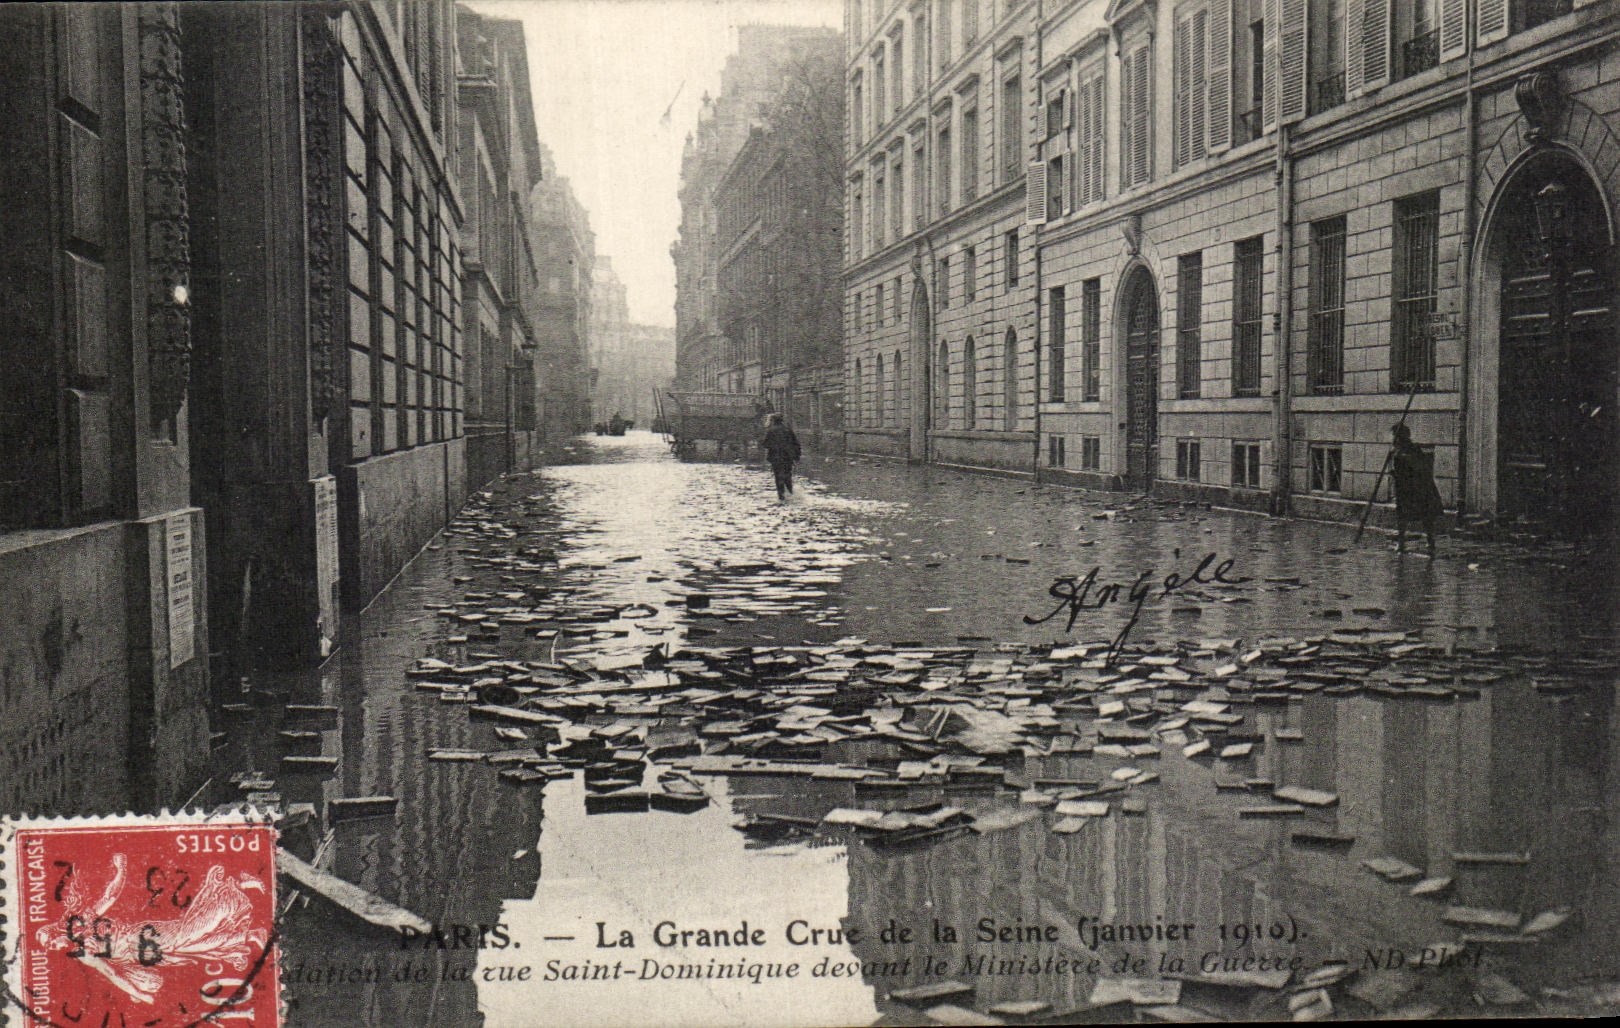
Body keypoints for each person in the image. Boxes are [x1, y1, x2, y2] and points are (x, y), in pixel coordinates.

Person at [1390, 422, 1442, 556]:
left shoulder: (1412, 449)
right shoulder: (1397, 451)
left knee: (1425, 516)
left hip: (1416, 488)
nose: (1394, 439)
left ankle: (1430, 541)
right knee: (1402, 516)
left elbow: (1419, 466)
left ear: (1403, 436)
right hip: (1405, 489)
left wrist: (1404, 461)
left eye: (1396, 436)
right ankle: (1402, 543)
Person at [760, 413, 801, 501]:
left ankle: (781, 496)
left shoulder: (771, 431)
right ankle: (790, 493)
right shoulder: (788, 430)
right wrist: (796, 456)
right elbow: (796, 444)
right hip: (787, 457)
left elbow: (765, 444)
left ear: (774, 421)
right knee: (788, 476)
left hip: (776, 458)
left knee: (778, 477)